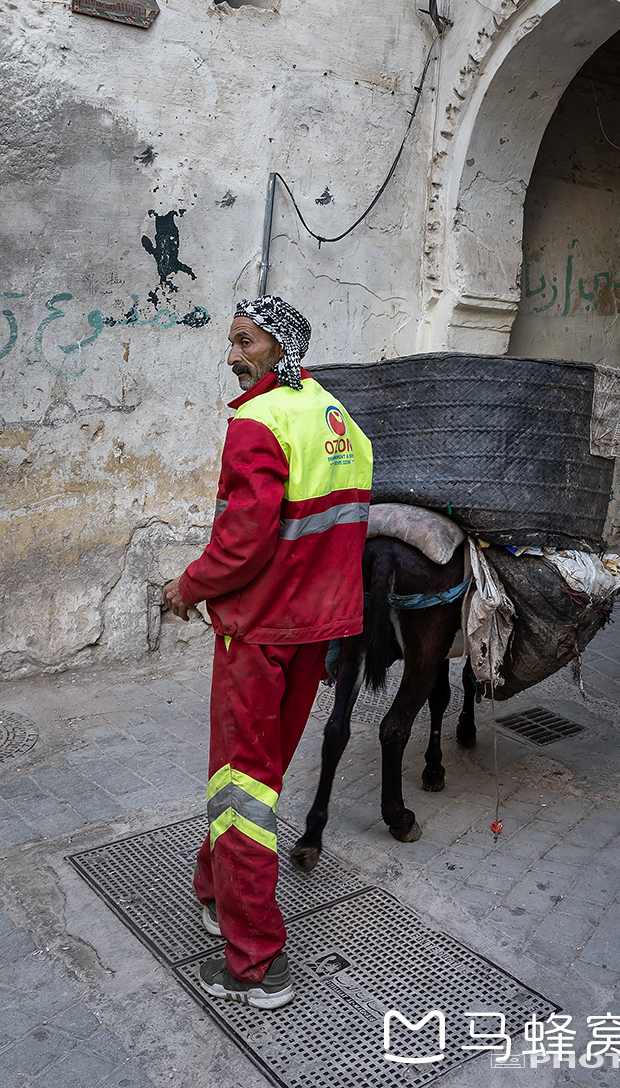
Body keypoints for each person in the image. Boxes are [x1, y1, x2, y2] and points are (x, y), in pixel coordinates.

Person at [162, 294, 371, 1009]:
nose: (232, 355)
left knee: (241, 790)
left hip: (258, 634)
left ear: (280, 348)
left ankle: (256, 963)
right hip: (314, 632)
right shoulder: (334, 415)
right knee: (258, 777)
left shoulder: (257, 423)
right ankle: (216, 888)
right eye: (232, 341)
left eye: (244, 341)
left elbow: (242, 543)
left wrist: (186, 586)